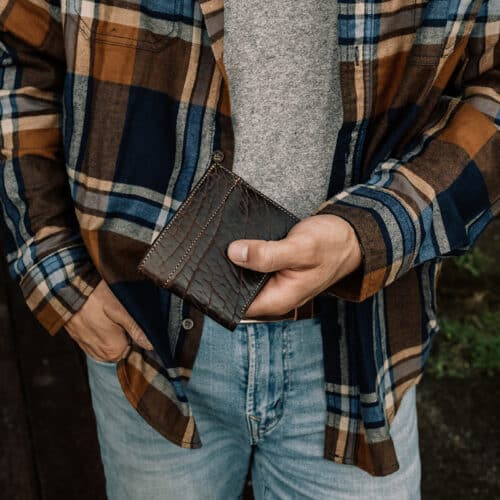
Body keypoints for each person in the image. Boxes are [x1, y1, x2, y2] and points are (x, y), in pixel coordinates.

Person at [0, 0, 498, 498]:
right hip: (146, 340)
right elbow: (18, 54)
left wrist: (372, 230)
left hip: (359, 347)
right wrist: (55, 267)